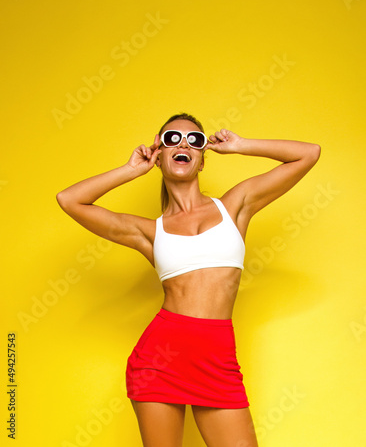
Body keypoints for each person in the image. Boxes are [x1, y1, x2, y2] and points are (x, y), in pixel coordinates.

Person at [56, 113, 320, 447]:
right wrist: (130, 169)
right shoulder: (150, 233)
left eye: (194, 140)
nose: (183, 143)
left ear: (201, 160)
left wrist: (241, 146)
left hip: (217, 361)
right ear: (159, 155)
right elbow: (69, 200)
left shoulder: (234, 207)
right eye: (171, 139)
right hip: (159, 362)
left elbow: (309, 153)